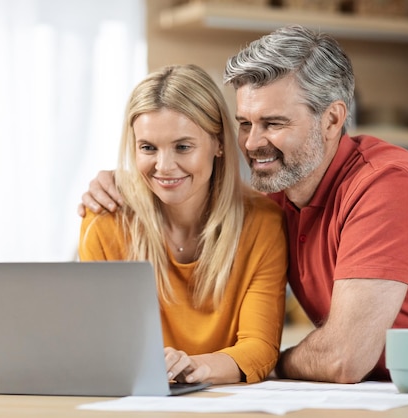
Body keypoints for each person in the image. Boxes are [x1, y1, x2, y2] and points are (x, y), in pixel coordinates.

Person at [78, 25, 408, 384]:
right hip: (389, 391)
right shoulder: (277, 195)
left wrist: (261, 361)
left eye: (274, 123)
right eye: (245, 123)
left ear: (331, 120)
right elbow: (202, 188)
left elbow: (341, 357)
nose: (253, 143)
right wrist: (128, 182)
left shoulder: (385, 185)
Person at [78, 64, 287, 385]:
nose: (164, 167)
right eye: (148, 147)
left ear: (218, 143)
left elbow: (260, 348)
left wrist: (193, 367)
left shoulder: (262, 223)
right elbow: (96, 344)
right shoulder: (106, 220)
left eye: (182, 147)